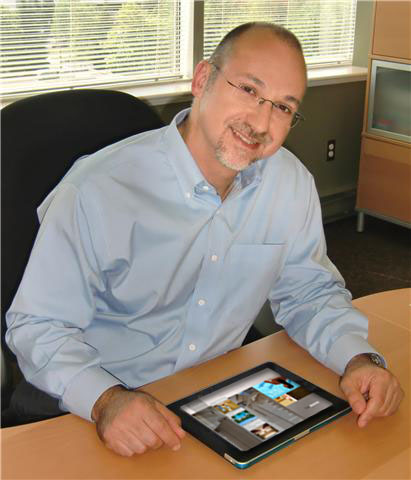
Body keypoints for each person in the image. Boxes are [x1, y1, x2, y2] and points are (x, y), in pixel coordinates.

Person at [6, 22, 403, 457]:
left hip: (209, 397)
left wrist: (358, 358)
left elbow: (309, 293)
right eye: (249, 90)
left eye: (283, 107)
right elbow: (39, 327)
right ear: (202, 80)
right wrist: (105, 399)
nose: (261, 122)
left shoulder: (289, 185)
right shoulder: (98, 190)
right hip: (88, 403)